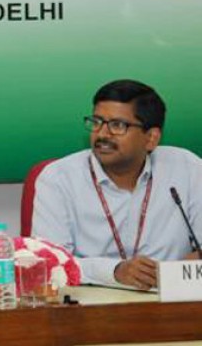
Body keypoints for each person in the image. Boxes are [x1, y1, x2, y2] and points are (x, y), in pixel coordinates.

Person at [32, 79, 202, 289]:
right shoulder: (58, 179)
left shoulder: (188, 169)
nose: (102, 134)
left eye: (117, 125)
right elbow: (49, 263)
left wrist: (174, 273)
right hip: (92, 302)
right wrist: (114, 271)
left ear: (151, 138)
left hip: (172, 300)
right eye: (97, 122)